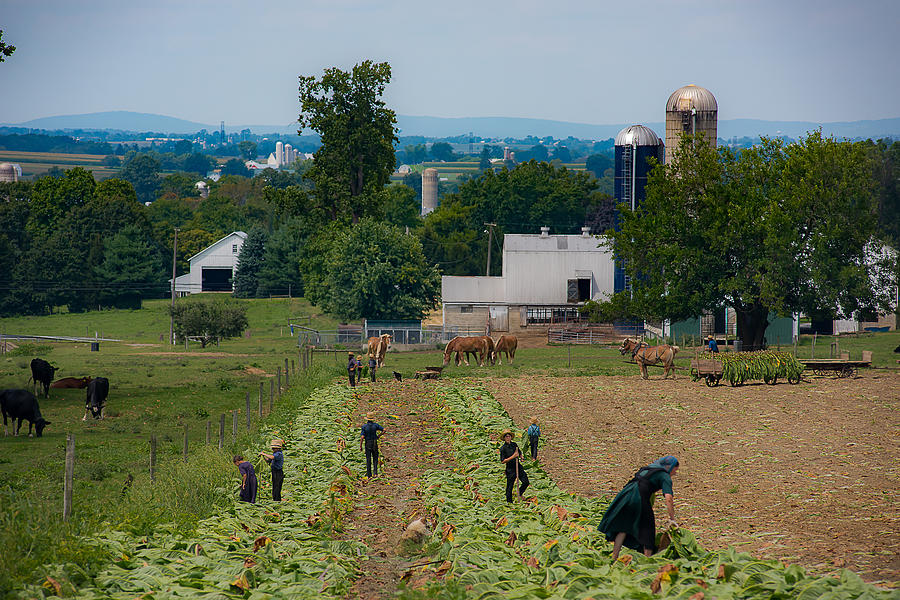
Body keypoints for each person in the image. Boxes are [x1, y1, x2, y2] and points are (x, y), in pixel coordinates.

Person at [598, 455, 680, 560]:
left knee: (623, 526)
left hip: (626, 494)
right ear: (670, 467)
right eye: (675, 470)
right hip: (638, 497)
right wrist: (672, 519)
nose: (675, 473)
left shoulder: (650, 468)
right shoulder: (665, 476)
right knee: (648, 527)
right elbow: (668, 498)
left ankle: (614, 557)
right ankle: (647, 559)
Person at [499, 429, 529, 502]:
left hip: (518, 466)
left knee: (526, 482)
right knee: (510, 486)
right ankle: (509, 502)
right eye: (506, 436)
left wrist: (521, 457)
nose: (508, 438)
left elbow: (519, 452)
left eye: (509, 436)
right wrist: (513, 456)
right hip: (510, 469)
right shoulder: (503, 448)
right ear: (504, 438)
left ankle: (519, 493)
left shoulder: (514, 445)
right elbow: (503, 461)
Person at [360, 412, 384, 477]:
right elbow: (384, 430)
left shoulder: (364, 427)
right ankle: (375, 473)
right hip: (374, 442)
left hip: (368, 443)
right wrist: (378, 436)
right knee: (375, 458)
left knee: (368, 459)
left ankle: (369, 475)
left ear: (367, 419)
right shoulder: (375, 425)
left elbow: (362, 437)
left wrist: (360, 446)